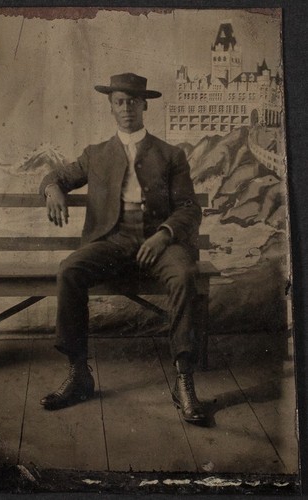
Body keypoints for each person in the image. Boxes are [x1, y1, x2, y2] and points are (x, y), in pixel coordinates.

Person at [39, 73, 208, 426]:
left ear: (144, 105)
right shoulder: (95, 154)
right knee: (70, 269)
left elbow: (189, 208)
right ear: (111, 107)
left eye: (133, 101)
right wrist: (52, 188)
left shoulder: (170, 154)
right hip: (113, 243)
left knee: (186, 275)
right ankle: (78, 373)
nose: (127, 108)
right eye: (119, 101)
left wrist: (164, 234)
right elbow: (57, 176)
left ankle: (183, 380)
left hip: (160, 244)